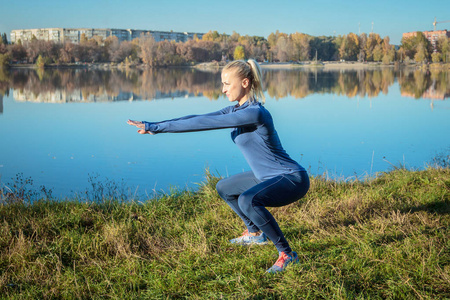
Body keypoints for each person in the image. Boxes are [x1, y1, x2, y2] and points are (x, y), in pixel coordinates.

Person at [127, 59, 309, 273]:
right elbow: (198, 118)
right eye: (222, 84)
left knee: (248, 199)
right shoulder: (235, 110)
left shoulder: (255, 113)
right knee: (224, 187)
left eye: (227, 84)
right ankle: (254, 233)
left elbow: (202, 124)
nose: (222, 89)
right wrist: (155, 126)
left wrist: (157, 127)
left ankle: (287, 254)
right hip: (266, 176)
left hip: (290, 178)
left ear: (244, 83)